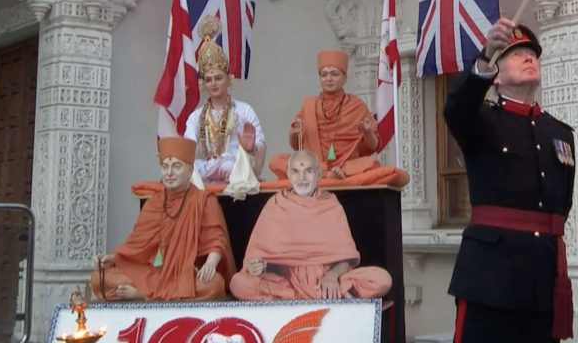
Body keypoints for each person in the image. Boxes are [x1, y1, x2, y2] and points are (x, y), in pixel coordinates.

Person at [444, 17, 576, 342]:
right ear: (497, 77)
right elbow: (456, 107)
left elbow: (562, 203)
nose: (530, 57)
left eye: (532, 53)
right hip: (491, 277)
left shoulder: (559, 132)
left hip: (542, 278)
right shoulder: (481, 120)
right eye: (516, 54)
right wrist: (487, 54)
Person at [229, 150, 392, 301]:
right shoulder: (276, 205)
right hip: (287, 283)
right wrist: (256, 266)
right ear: (288, 175)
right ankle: (324, 299)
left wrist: (332, 276)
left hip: (326, 282)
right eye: (296, 171)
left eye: (308, 171)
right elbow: (257, 258)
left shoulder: (331, 205)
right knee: (238, 283)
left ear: (318, 174)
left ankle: (294, 301)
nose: (302, 178)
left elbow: (347, 258)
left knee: (382, 279)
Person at [90, 137, 235, 301]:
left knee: (213, 285)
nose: (169, 173)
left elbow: (217, 240)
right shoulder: (154, 203)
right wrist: (113, 258)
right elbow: (136, 246)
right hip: (154, 272)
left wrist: (210, 264)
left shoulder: (204, 200)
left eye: (176, 166)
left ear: (190, 170)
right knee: (99, 278)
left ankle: (143, 294)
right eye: (165, 167)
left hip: (185, 274)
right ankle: (153, 294)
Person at [269, 50, 380, 180]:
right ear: (320, 78)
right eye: (324, 75)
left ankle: (324, 174)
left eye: (334, 74)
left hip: (346, 165)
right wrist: (294, 135)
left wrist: (367, 133)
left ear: (345, 78)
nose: (329, 79)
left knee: (371, 164)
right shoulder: (309, 106)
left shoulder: (356, 106)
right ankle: (326, 174)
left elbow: (374, 146)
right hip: (313, 164)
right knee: (276, 160)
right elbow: (296, 147)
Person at [184, 17, 266, 185]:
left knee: (229, 165)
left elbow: (260, 143)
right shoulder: (196, 116)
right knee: (194, 170)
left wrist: (251, 149)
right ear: (203, 84)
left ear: (229, 79)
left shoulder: (244, 110)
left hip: (235, 172)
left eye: (218, 78)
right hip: (207, 174)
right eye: (208, 79)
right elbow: (188, 146)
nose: (213, 83)